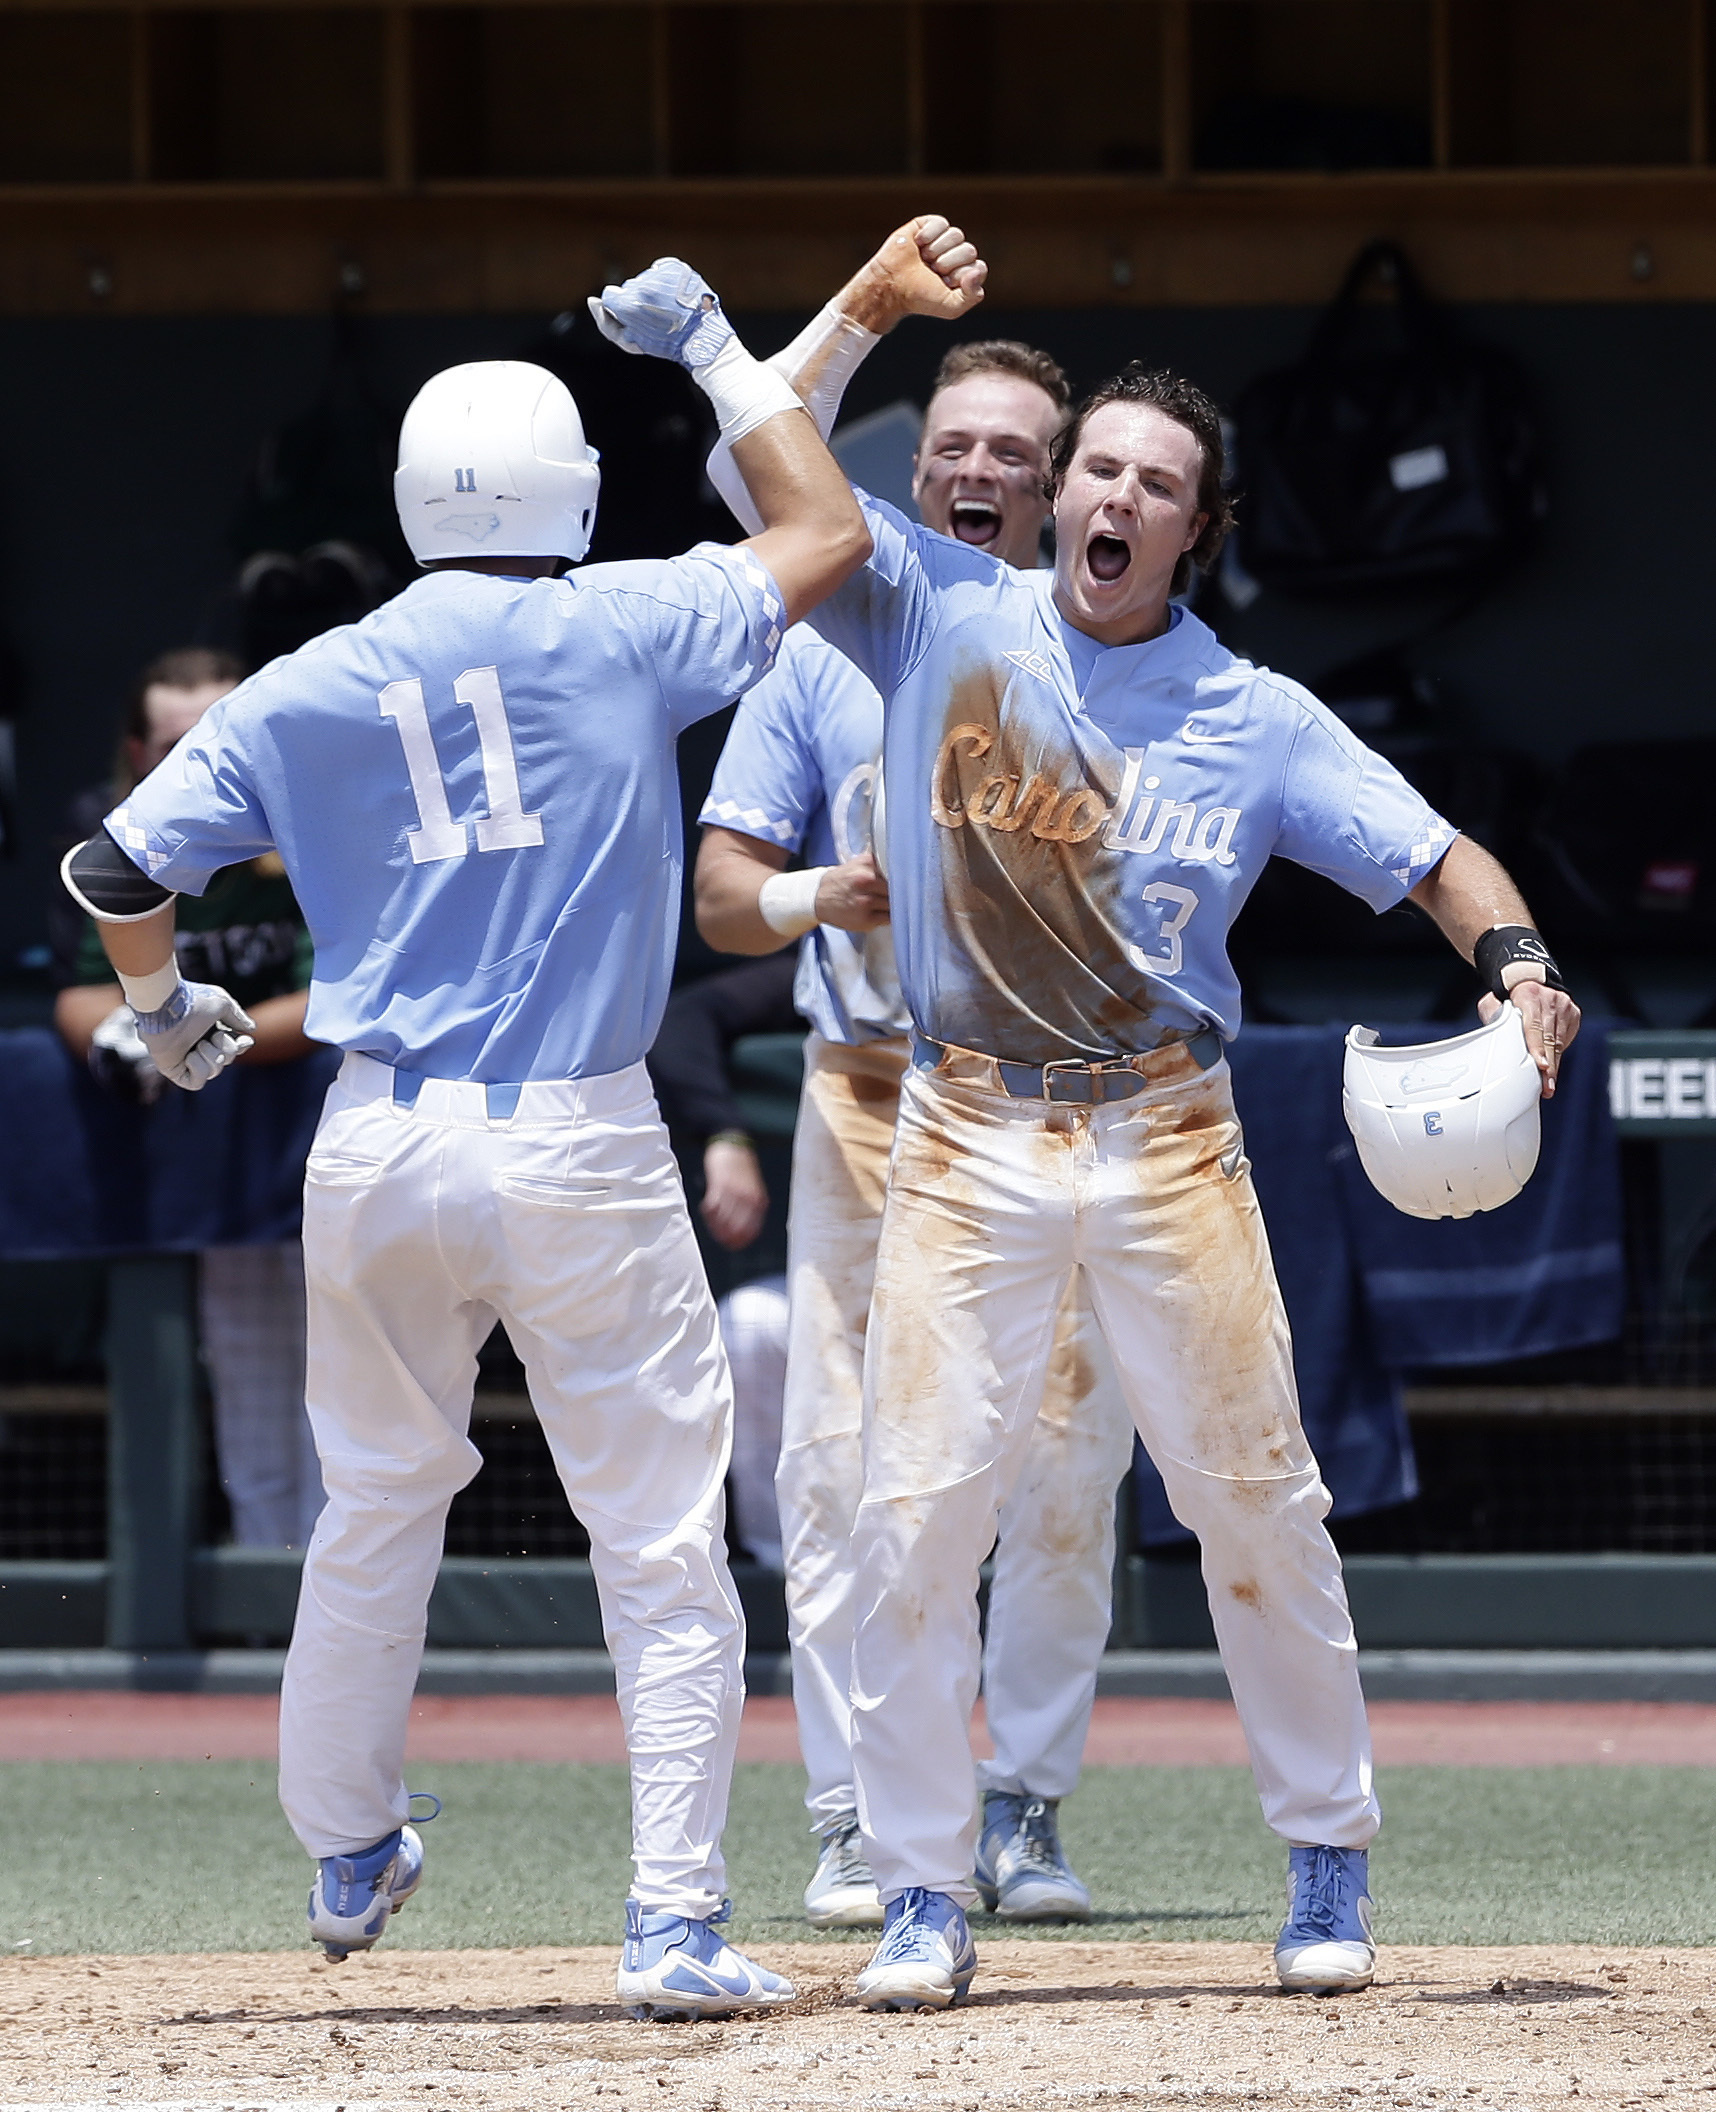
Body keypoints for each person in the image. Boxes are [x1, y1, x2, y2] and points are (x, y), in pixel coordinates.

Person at [708, 235, 1582, 2009]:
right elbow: (760, 469)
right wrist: (859, 308)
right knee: (913, 1512)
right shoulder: (935, 610)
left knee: (1256, 1502)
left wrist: (1524, 970)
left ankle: (1326, 1854)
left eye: (1154, 484)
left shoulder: (1253, 715)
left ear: (1200, 528)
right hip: (963, 1124)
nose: (1114, 497)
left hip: (1168, 1133)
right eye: (1097, 468)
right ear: (1058, 499)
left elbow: (1439, 861)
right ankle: (919, 1886)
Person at [59, 248, 899, 2018]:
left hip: (377, 1135)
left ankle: (346, 1848)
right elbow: (825, 529)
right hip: (579, 1138)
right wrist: (713, 347)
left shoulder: (309, 674)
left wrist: (164, 1007)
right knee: (658, 1540)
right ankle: (671, 1921)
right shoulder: (629, 619)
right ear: (572, 492)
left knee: (373, 1507)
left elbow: (115, 868)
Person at [698, 299, 1133, 1929]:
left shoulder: (1117, 653)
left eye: (1014, 454)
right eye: (955, 445)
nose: (980, 471)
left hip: (1057, 1095)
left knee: (1065, 1459)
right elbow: (723, 893)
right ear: (916, 468)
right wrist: (823, 892)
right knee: (835, 1461)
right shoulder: (824, 644)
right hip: (869, 1091)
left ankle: (1021, 1802)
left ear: (1058, 484)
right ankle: (854, 1811)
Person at [53, 647, 324, 1551]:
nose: (203, 756)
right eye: (177, 744)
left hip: (325, 1137)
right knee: (246, 1359)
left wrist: (190, 1037)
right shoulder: (116, 843)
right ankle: (266, 1571)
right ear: (138, 755)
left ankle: (340, 1585)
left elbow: (338, 999)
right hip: (217, 1155)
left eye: (222, 730)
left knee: (343, 1370)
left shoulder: (310, 820)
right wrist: (129, 1033)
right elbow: (79, 990)